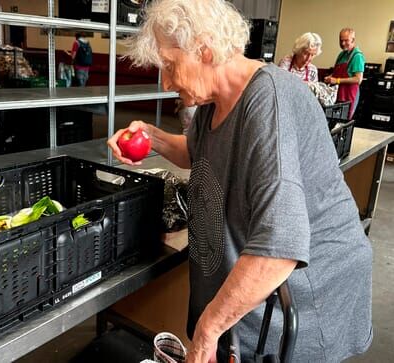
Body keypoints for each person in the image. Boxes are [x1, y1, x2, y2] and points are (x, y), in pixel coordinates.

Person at [107, 1, 373, 362]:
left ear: (204, 48)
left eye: (169, 66)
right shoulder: (211, 105)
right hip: (260, 286)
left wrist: (207, 331)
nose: (166, 81)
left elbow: (279, 250)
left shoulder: (268, 103)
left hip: (305, 294)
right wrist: (151, 137)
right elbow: (198, 152)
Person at [324, 28, 365, 119]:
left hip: (349, 95)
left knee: (342, 122)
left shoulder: (357, 56)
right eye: (341, 40)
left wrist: (337, 80)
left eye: (346, 40)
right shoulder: (342, 55)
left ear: (353, 40)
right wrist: (330, 78)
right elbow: (337, 73)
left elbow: (358, 79)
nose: (343, 43)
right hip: (337, 94)